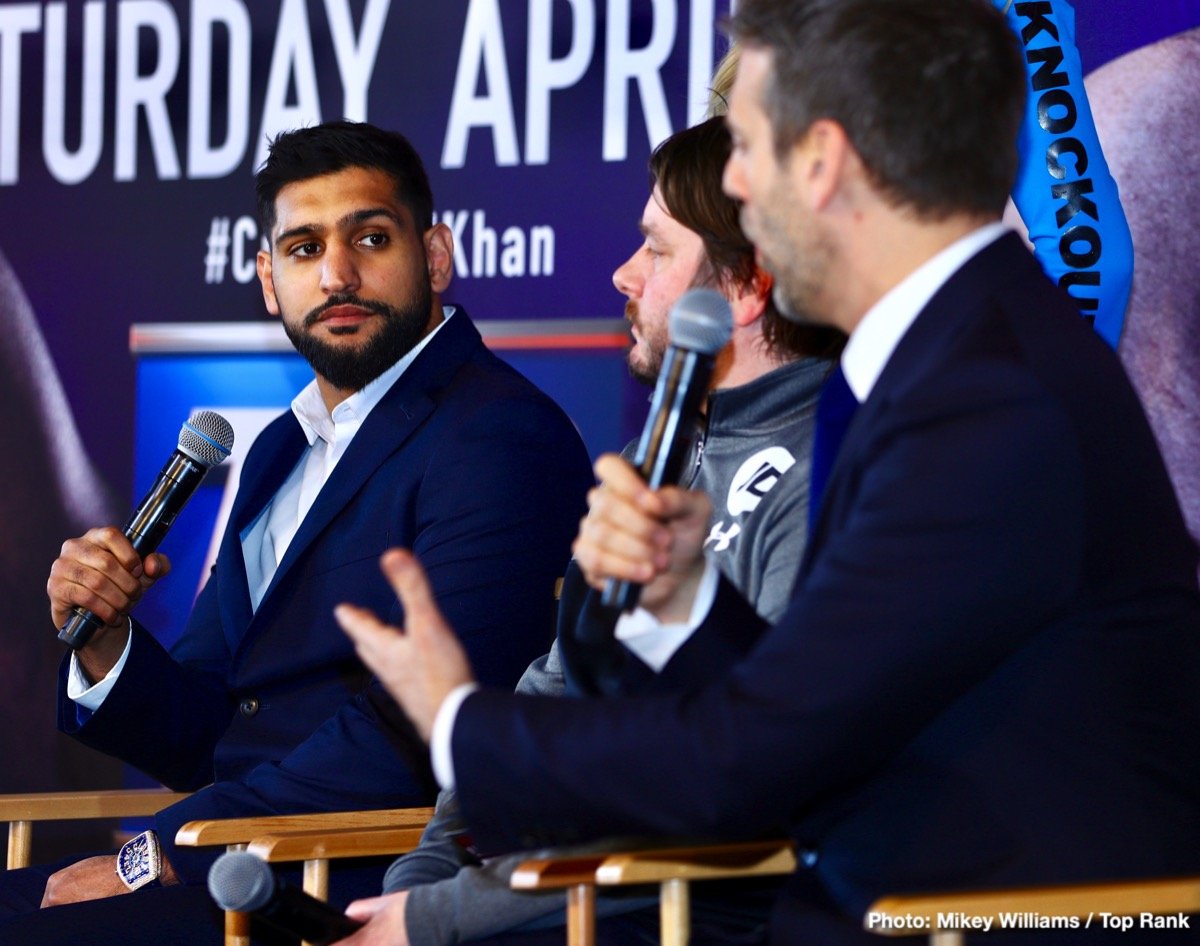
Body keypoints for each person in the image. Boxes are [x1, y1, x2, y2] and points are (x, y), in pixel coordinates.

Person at [335, 2, 1200, 944]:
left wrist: (462, 722)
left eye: (745, 145)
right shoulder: (939, 357)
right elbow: (822, 708)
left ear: (821, 161)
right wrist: (686, 598)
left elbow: (748, 759)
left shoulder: (986, 398)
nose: (735, 184)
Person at [0, 120, 593, 945]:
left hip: (354, 883)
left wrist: (154, 856)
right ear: (269, 280)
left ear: (435, 256)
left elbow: (425, 729)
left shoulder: (498, 435)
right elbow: (215, 726)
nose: (338, 274)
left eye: (371, 238)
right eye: (305, 248)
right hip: (232, 857)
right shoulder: (280, 447)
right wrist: (105, 646)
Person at [336, 116, 842, 946]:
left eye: (655, 249)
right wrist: (422, 877)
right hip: (569, 899)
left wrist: (442, 916)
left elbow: (730, 782)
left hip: (703, 911)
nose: (621, 275)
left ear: (747, 287)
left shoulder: (833, 469)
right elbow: (555, 687)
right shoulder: (656, 454)